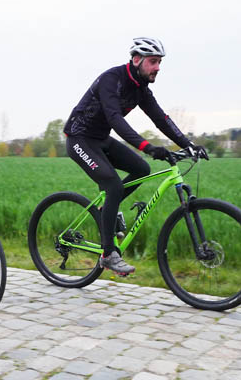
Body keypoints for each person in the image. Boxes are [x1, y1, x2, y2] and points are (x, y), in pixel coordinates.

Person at [63, 37, 208, 276]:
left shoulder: (141, 89)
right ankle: (108, 255)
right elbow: (114, 119)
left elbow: (161, 119)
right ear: (137, 59)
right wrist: (147, 147)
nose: (157, 67)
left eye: (159, 62)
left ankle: (106, 211)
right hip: (79, 139)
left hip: (101, 139)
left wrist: (189, 144)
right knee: (113, 185)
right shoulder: (112, 79)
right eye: (153, 61)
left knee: (141, 169)